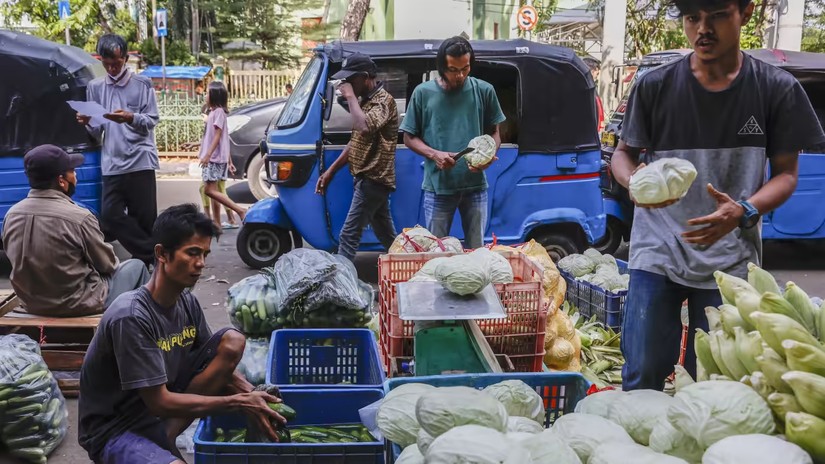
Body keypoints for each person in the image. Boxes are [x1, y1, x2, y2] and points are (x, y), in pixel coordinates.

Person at [611, 0, 825, 391]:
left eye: (717, 16)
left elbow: (786, 175)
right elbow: (623, 155)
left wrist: (744, 209)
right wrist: (634, 183)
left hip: (730, 259)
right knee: (642, 374)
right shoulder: (655, 85)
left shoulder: (776, 88)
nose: (702, 29)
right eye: (693, 18)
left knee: (712, 383)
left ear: (746, 13)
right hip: (656, 250)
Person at [78, 204, 284, 464]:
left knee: (232, 341)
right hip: (116, 428)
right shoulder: (130, 316)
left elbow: (214, 360)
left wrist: (254, 392)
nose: (201, 264)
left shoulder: (187, 301)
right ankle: (153, 449)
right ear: (162, 254)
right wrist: (239, 402)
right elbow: (159, 403)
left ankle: (164, 439)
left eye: (205, 254)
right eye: (192, 253)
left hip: (156, 410)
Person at [3, 144, 150, 317]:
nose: (76, 176)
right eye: (72, 171)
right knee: (137, 266)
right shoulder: (79, 217)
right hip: (77, 303)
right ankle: (145, 329)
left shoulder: (11, 215)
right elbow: (108, 265)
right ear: (61, 181)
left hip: (31, 303)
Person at [400, 36, 506, 249]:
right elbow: (408, 137)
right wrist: (434, 154)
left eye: (465, 68)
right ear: (441, 67)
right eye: (453, 69)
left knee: (477, 251)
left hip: (475, 187)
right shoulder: (423, 93)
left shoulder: (484, 90)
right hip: (438, 187)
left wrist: (487, 157)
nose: (459, 75)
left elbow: (495, 134)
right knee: (436, 251)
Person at [76, 33, 160, 265]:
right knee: (111, 217)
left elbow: (151, 121)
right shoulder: (94, 87)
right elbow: (96, 133)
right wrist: (88, 122)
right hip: (112, 162)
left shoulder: (142, 84)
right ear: (100, 59)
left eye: (116, 63)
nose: (112, 68)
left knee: (145, 219)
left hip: (141, 159)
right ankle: (155, 254)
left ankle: (145, 269)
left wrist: (131, 117)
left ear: (125, 58)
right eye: (107, 64)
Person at [315, 53, 399, 261]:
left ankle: (342, 287)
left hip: (374, 180)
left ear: (364, 76)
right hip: (369, 180)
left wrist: (351, 97)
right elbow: (356, 142)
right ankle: (412, 278)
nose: (347, 85)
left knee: (348, 236)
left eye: (351, 80)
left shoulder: (384, 102)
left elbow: (365, 126)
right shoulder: (366, 102)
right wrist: (331, 172)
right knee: (389, 239)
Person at [199, 81, 246, 228]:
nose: (205, 96)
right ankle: (217, 223)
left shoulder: (218, 113)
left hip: (213, 158)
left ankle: (239, 210)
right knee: (213, 191)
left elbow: (218, 136)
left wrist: (207, 155)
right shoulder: (214, 113)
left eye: (207, 93)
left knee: (209, 190)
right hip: (213, 157)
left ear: (214, 96)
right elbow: (212, 137)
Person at [582, 56, 605, 132]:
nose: (597, 77)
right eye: (597, 73)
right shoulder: (583, 89)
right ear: (591, 71)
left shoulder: (592, 89)